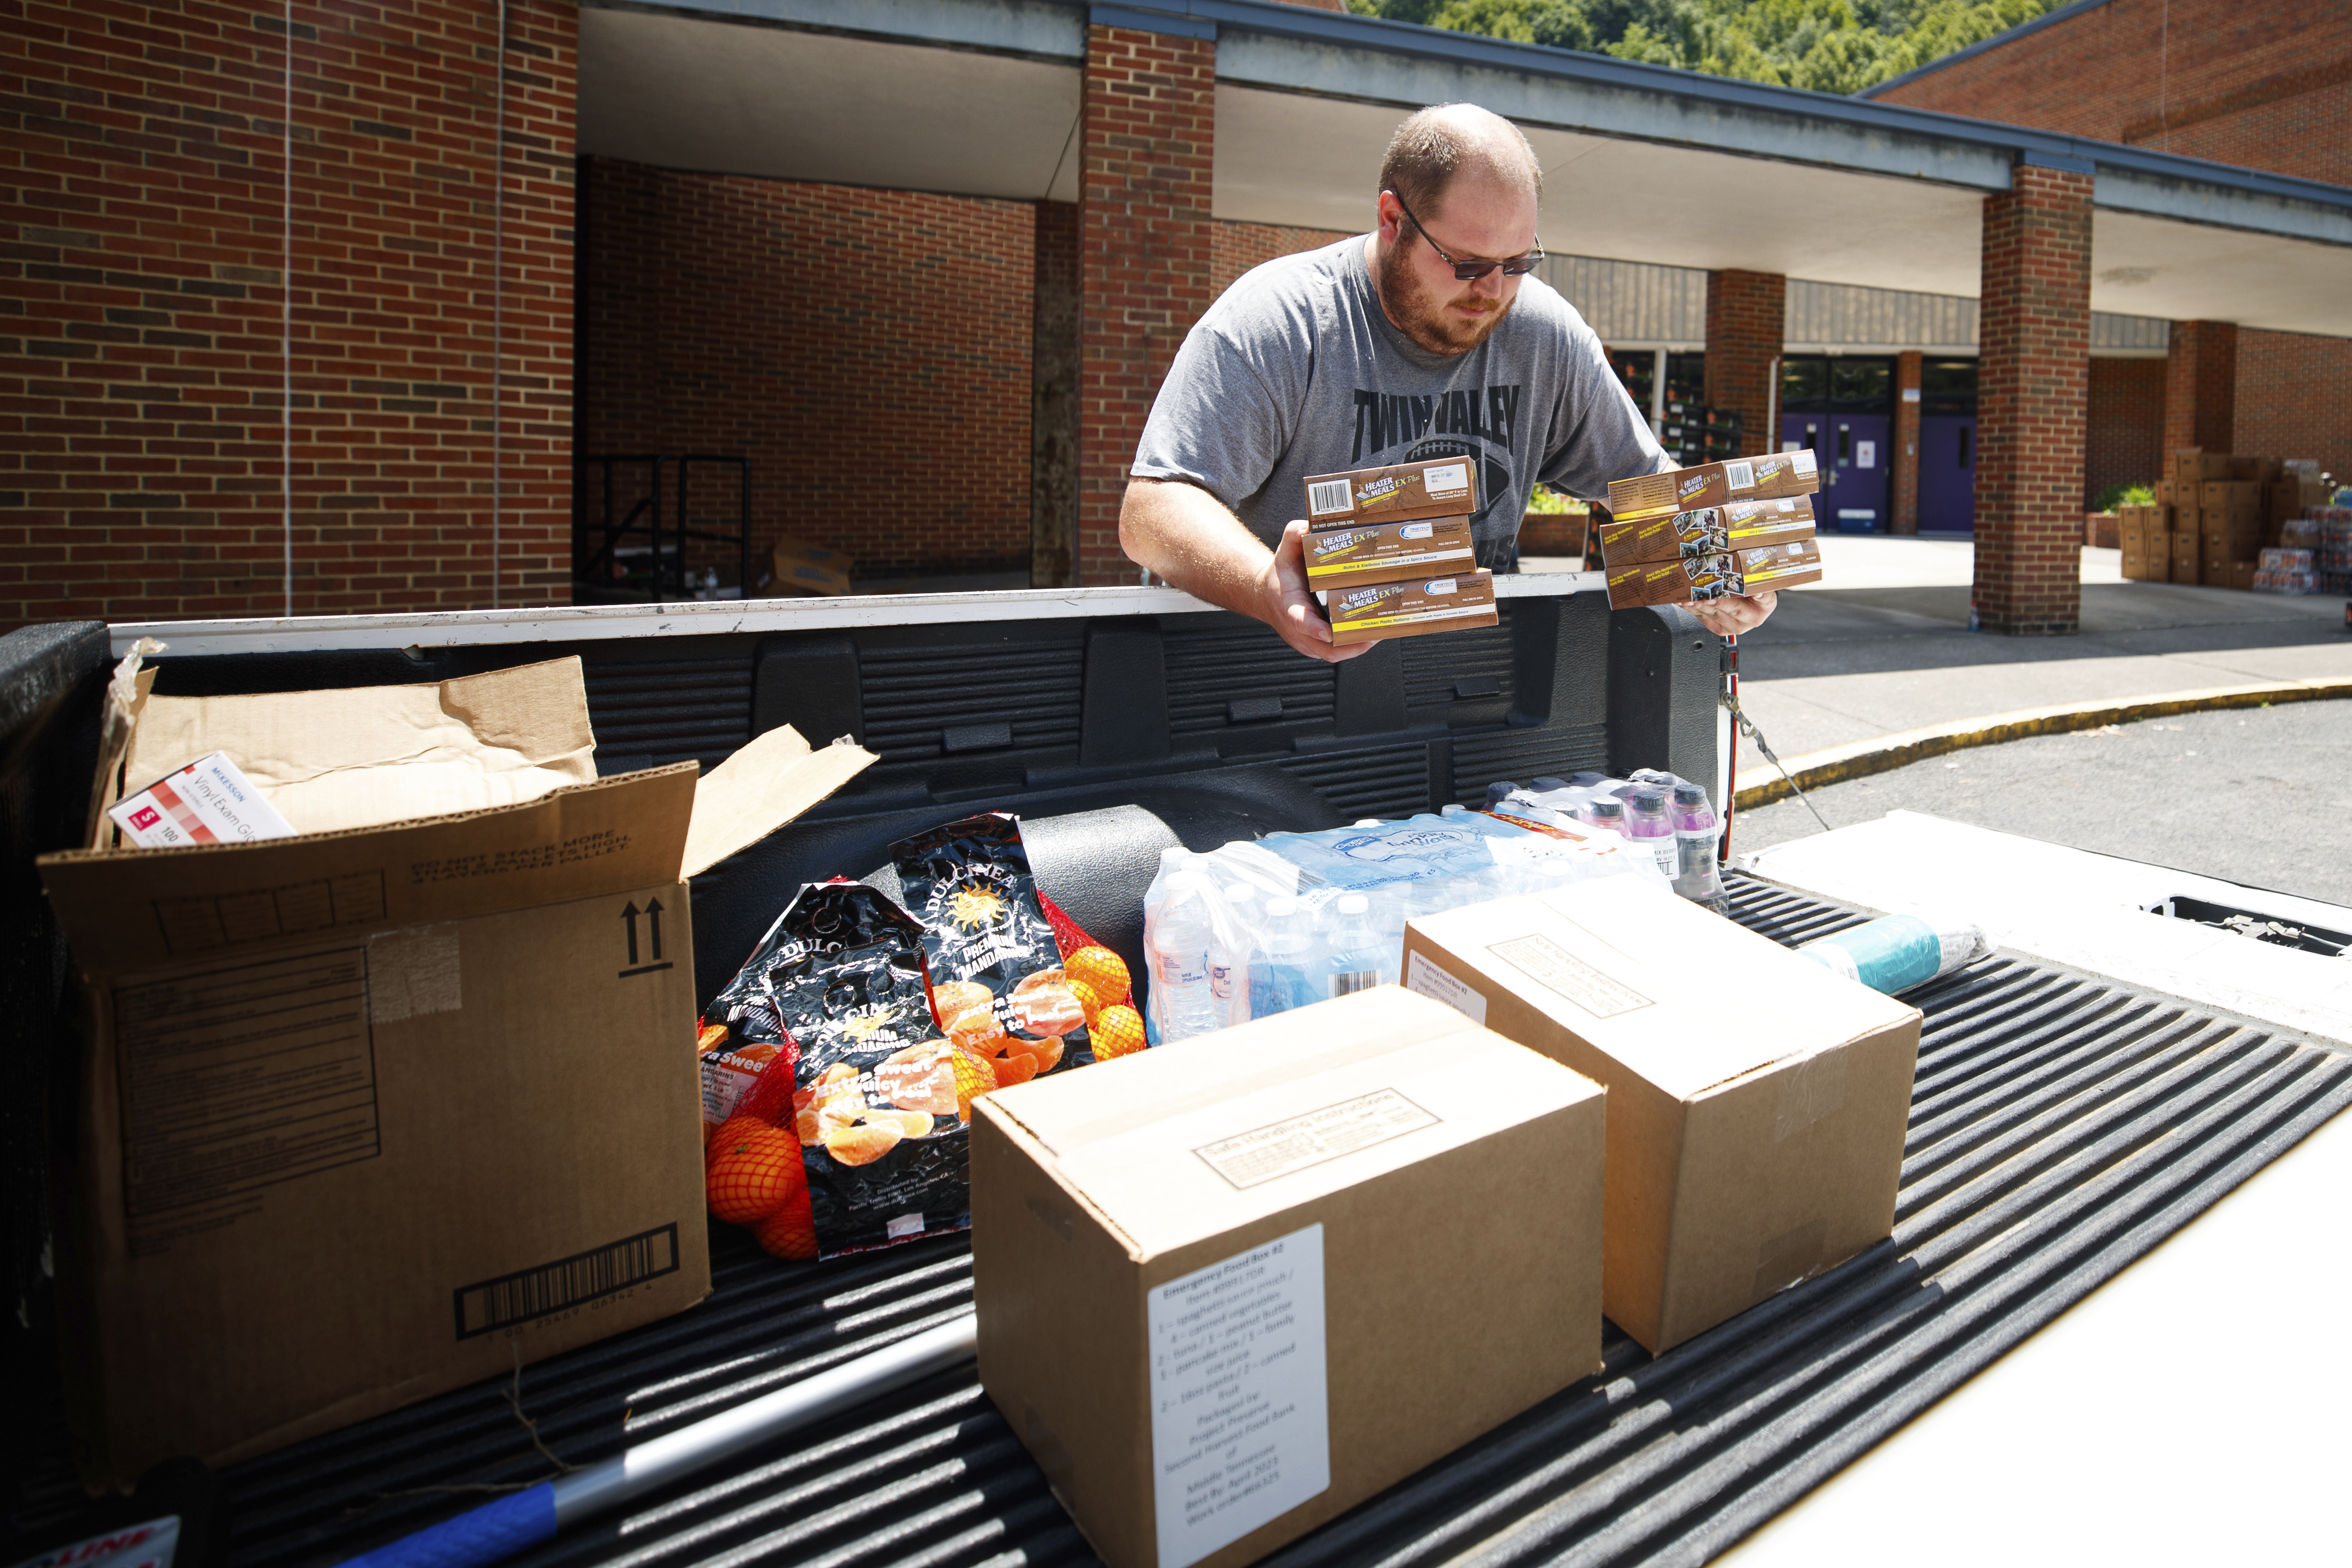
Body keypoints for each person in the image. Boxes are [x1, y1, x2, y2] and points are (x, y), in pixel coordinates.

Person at [1120, 102, 1780, 663]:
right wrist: (1266, 584)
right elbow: (1151, 514)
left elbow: (1645, 492)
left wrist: (1717, 568)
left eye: (1517, 261)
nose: (1492, 292)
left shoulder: (1543, 334)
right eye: (1465, 263)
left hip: (1464, 686)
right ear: (1391, 219)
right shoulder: (1280, 321)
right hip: (1257, 680)